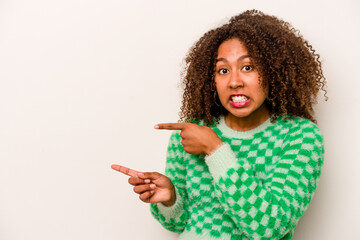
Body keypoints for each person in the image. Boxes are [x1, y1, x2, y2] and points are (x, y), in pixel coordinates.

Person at [111, 9, 327, 240]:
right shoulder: (189, 133)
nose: (234, 81)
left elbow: (269, 228)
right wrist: (170, 198)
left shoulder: (299, 137)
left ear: (275, 70)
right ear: (210, 80)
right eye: (223, 70)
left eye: (248, 67)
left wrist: (215, 149)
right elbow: (177, 224)